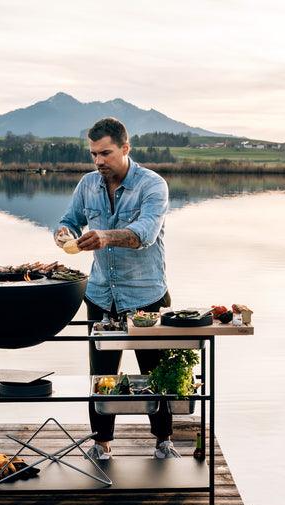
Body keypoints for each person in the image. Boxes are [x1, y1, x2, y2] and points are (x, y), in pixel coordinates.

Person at [53, 117, 180, 461]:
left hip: (145, 295)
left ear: (126, 149)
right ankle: (101, 442)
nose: (98, 161)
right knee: (101, 373)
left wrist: (106, 236)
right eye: (93, 154)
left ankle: (163, 441)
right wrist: (63, 233)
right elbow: (68, 219)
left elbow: (146, 233)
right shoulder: (87, 184)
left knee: (155, 373)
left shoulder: (153, 185)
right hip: (99, 294)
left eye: (105, 153)